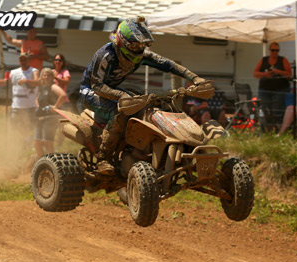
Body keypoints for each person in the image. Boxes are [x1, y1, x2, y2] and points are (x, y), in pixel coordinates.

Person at [80, 17, 209, 175]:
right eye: (135, 44)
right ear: (123, 42)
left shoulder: (142, 55)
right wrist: (121, 95)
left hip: (114, 90)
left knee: (147, 106)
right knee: (119, 112)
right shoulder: (106, 55)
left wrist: (194, 78)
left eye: (142, 44)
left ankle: (137, 151)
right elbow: (97, 85)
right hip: (90, 91)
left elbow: (168, 64)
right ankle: (102, 159)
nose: (139, 48)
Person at [0, 53, 39, 145]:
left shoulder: (33, 71)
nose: (23, 62)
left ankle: (29, 141)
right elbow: (6, 82)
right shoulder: (14, 72)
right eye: (21, 60)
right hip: (16, 105)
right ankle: (26, 139)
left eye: (25, 60)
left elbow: (37, 82)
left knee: (30, 126)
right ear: (19, 61)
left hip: (29, 105)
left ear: (28, 61)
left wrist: (26, 81)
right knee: (13, 124)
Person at [253, 42, 292, 132]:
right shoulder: (263, 60)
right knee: (265, 109)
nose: (275, 52)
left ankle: (279, 130)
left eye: (277, 50)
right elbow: (255, 73)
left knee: (277, 110)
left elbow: (289, 74)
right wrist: (265, 74)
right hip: (265, 90)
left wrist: (278, 71)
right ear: (269, 50)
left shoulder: (283, 60)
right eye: (273, 50)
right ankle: (266, 130)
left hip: (280, 90)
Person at [34, 68, 68, 158]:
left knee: (47, 143)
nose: (46, 77)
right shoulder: (41, 88)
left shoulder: (53, 87)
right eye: (44, 75)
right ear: (41, 77)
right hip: (40, 118)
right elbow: (37, 99)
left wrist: (55, 107)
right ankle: (42, 164)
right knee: (37, 143)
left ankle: (51, 165)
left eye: (49, 75)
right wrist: (38, 107)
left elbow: (63, 95)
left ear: (52, 77)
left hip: (51, 119)